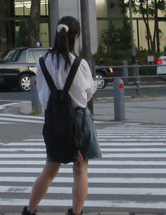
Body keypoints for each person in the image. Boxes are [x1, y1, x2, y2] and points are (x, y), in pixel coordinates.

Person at [23, 15, 101, 215]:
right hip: (79, 121)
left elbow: (42, 94)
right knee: (80, 169)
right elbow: (88, 91)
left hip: (54, 120)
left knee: (50, 169)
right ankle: (76, 213)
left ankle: (30, 210)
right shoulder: (79, 64)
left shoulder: (43, 63)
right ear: (76, 37)